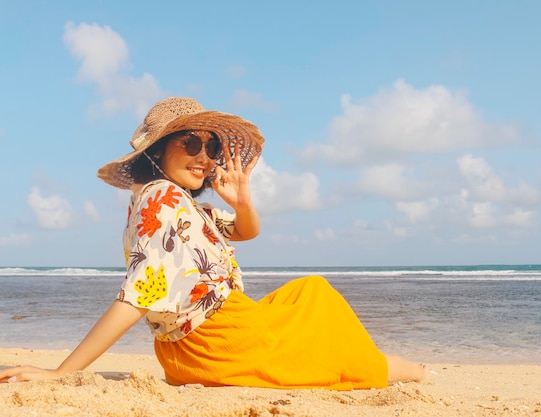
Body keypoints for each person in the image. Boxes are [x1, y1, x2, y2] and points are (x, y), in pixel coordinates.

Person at [0, 97, 426, 389]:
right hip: (222, 338)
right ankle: (400, 369)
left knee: (306, 293)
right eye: (191, 142)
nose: (205, 157)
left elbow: (246, 231)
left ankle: (382, 364)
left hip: (186, 355)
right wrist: (61, 373)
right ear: (157, 150)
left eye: (213, 147)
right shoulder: (163, 199)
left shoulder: (185, 208)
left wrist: (242, 201)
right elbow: (141, 292)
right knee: (319, 303)